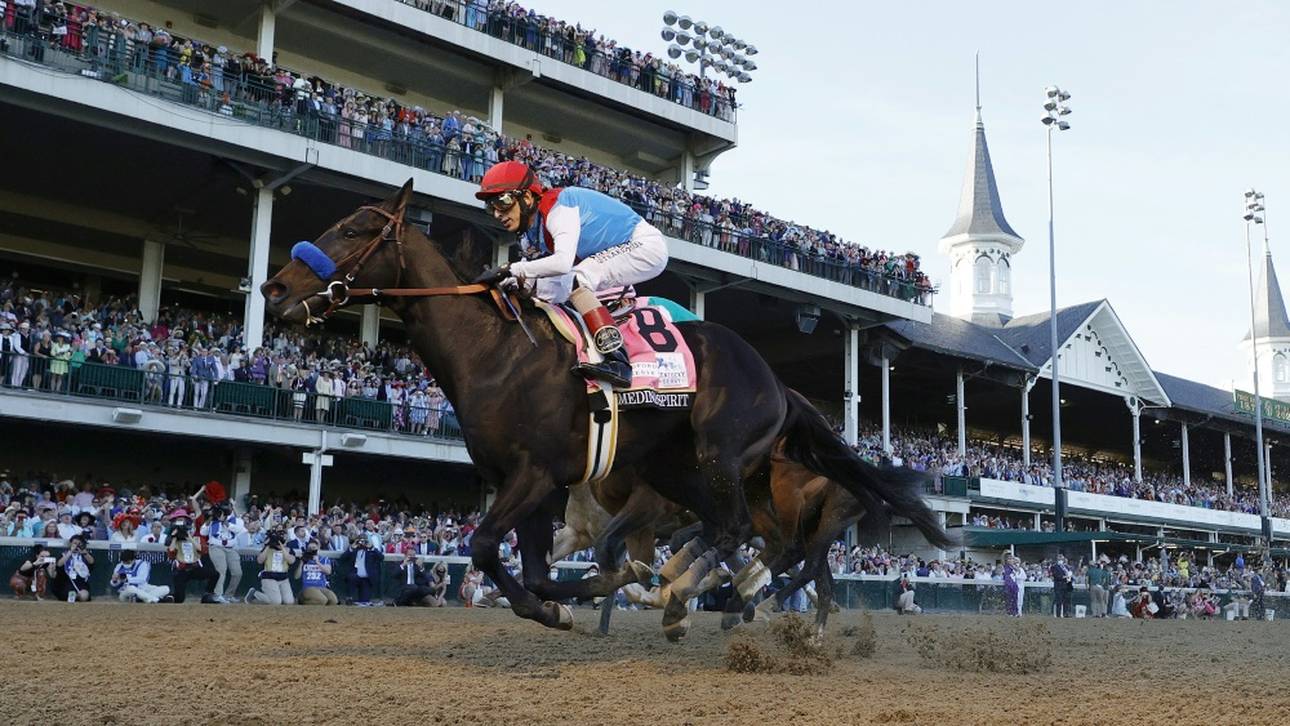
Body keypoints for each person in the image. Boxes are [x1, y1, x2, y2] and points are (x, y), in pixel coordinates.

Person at [473, 160, 669, 387]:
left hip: (644, 245)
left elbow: (563, 263)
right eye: (491, 207)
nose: (497, 214)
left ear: (527, 198)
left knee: (578, 279)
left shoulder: (559, 208)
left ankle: (619, 361)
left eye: (503, 202)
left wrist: (510, 268)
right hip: (611, 252)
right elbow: (536, 280)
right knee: (544, 289)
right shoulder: (529, 234)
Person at [166, 510, 219, 603]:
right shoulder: (172, 537)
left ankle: (208, 595)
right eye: (178, 520)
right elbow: (171, 552)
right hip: (181, 569)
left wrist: (188, 537)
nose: (181, 523)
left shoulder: (195, 535)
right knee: (179, 598)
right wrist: (174, 537)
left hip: (195, 567)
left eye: (182, 520)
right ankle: (170, 597)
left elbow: (201, 550)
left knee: (214, 574)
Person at [200, 500, 244, 603]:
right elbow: (203, 532)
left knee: (237, 572)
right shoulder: (213, 519)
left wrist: (226, 522)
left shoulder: (235, 519)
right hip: (216, 547)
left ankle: (229, 595)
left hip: (231, 548)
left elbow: (238, 530)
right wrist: (209, 521)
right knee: (221, 570)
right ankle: (217, 595)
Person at [245, 527, 296, 605]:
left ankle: (270, 596)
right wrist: (268, 545)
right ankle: (255, 593)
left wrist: (282, 546)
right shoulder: (267, 548)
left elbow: (291, 561)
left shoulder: (289, 549)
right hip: (269, 577)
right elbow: (260, 560)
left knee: (289, 602)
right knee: (276, 602)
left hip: (283, 578)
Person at [339, 536, 381, 606]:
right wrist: (352, 547)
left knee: (364, 601)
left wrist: (372, 547)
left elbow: (381, 557)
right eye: (360, 541)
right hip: (355, 577)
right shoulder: (354, 550)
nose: (362, 543)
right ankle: (350, 598)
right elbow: (343, 558)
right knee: (352, 577)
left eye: (364, 541)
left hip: (366, 579)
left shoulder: (371, 551)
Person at [295, 540, 337, 605]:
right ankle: (301, 602)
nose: (312, 550)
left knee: (333, 601)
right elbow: (296, 576)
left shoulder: (324, 559)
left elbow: (328, 572)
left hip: (321, 587)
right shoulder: (304, 559)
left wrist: (317, 562)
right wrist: (301, 562)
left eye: (314, 547)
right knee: (323, 600)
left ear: (318, 548)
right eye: (309, 548)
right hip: (308, 587)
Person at [54, 534, 94, 602]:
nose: (76, 546)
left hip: (81, 582)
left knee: (84, 596)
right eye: (75, 543)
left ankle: (76, 596)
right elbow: (59, 564)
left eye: (79, 544)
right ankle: (74, 596)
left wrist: (84, 553)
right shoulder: (64, 554)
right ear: (70, 544)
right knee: (67, 594)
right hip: (67, 581)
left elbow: (91, 562)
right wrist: (70, 552)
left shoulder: (84, 554)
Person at [1050, 553, 1073, 618]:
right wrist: (1065, 576)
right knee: (1059, 600)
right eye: (1059, 558)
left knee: (1066, 600)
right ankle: (1058, 614)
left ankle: (1066, 613)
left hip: (1066, 584)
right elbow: (1056, 576)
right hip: (1058, 585)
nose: (1060, 559)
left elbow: (1070, 574)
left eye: (1061, 557)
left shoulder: (1066, 567)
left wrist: (1070, 578)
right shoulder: (1054, 567)